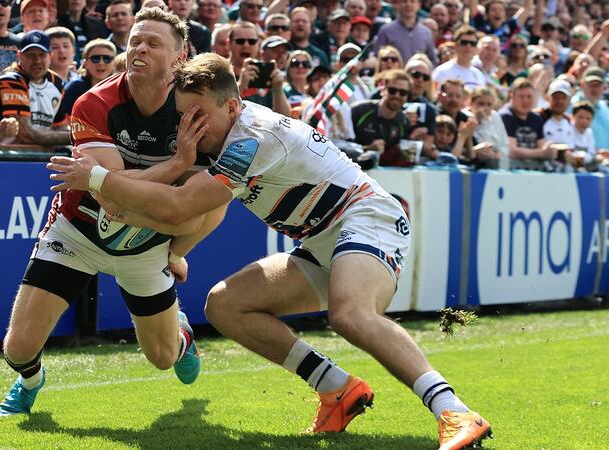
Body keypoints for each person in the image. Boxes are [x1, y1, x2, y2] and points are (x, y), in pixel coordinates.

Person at [47, 52, 493, 450]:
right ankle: (337, 388)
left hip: (365, 216)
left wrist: (100, 181)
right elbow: (194, 209)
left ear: (233, 106)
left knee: (351, 314)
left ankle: (454, 411)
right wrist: (170, 241)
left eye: (198, 114)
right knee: (225, 305)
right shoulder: (215, 136)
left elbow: (182, 205)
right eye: (182, 115)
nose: (188, 126)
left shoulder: (250, 140)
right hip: (320, 238)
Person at [0, 7, 225, 417]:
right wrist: (173, 167)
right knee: (17, 348)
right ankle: (30, 380)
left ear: (180, 56)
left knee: (163, 358)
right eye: (135, 40)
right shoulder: (94, 102)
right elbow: (112, 199)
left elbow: (199, 199)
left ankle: (182, 334)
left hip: (145, 240)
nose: (139, 48)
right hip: (78, 230)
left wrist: (170, 242)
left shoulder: (197, 109)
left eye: (153, 43)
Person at [0, 30, 69, 147]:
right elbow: (26, 135)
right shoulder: (11, 80)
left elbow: (59, 126)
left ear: (50, 56)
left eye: (42, 55)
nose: (37, 61)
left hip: (39, 155)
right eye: (31, 55)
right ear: (19, 56)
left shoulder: (56, 82)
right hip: (6, 155)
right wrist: (77, 137)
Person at [55, 38, 116, 124]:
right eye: (95, 58)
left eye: (107, 58)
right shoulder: (75, 88)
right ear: (85, 63)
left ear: (114, 63)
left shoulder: (120, 88)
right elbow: (64, 123)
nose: (101, 63)